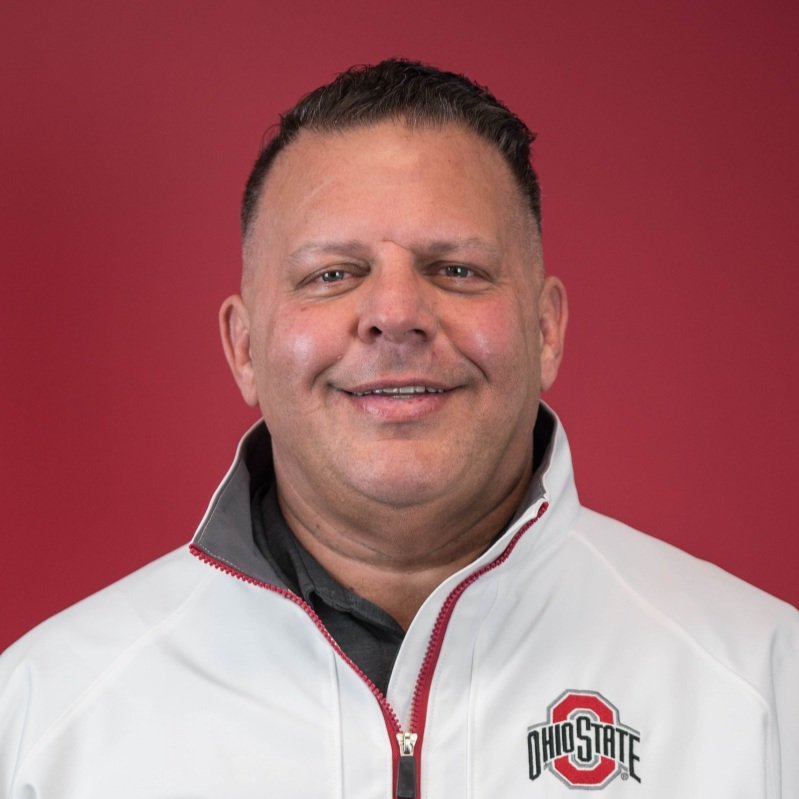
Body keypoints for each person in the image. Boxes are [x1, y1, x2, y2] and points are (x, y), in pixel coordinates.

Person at [1, 59, 797, 798]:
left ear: (545, 329)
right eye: (332, 274)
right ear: (245, 347)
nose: (394, 316)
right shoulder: (45, 715)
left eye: (455, 269)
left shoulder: (764, 688)